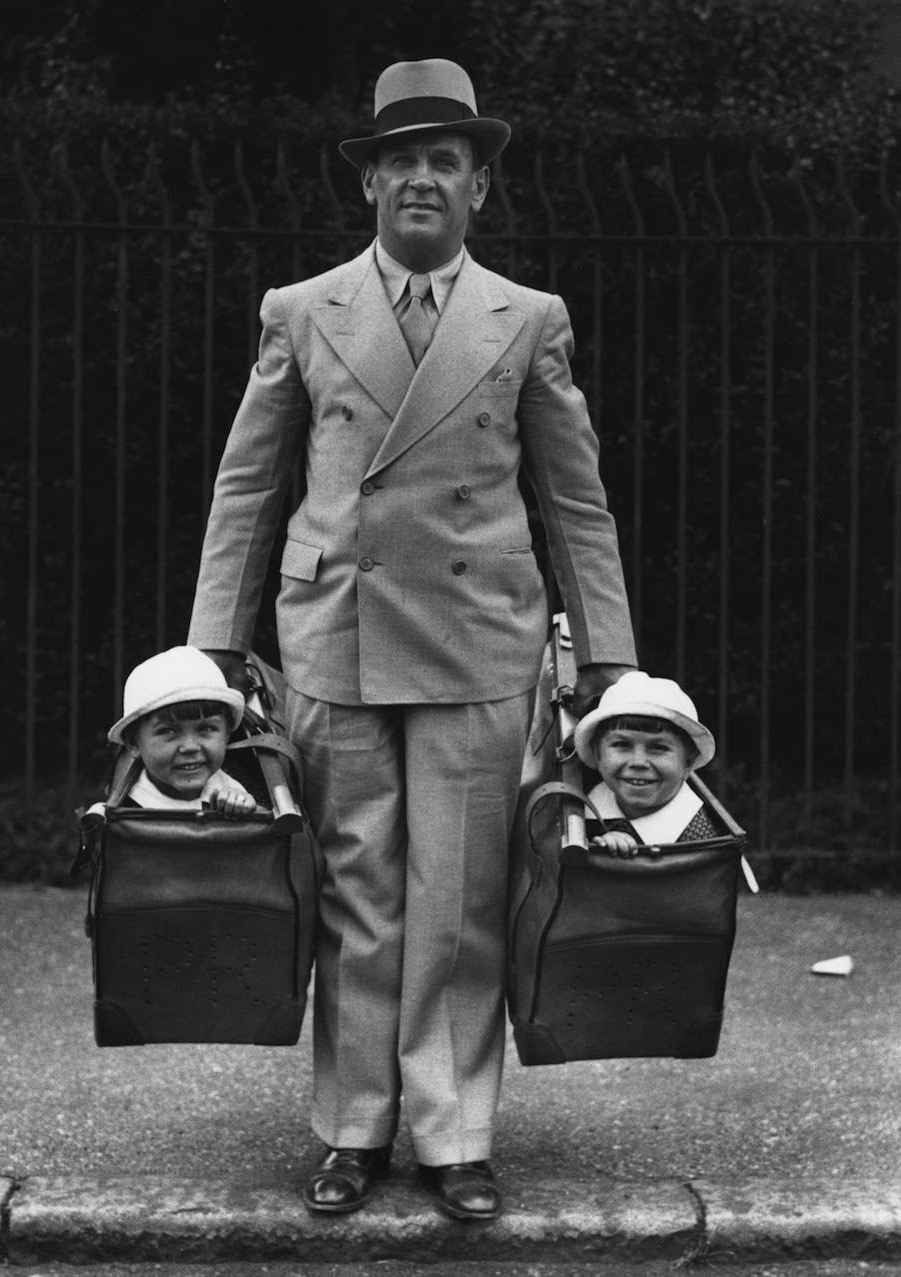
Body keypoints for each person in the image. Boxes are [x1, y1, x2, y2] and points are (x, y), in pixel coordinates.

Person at [187, 58, 636, 1219]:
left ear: (478, 188)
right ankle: (352, 1125)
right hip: (335, 631)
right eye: (403, 161)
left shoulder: (528, 319)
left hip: (479, 637)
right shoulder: (302, 308)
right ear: (371, 184)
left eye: (447, 161)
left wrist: (610, 658)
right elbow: (247, 486)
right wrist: (212, 646)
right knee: (356, 894)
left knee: (459, 896)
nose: (422, 180)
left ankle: (452, 1133)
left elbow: (576, 500)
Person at [573, 670, 717, 856]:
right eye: (622, 744)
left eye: (658, 747)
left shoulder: (702, 840)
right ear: (597, 755)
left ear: (688, 763)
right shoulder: (576, 810)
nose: (638, 762)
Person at [106, 646, 256, 816]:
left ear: (227, 734)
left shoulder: (232, 789)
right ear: (134, 743)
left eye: (206, 728)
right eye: (169, 731)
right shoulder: (125, 807)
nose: (190, 747)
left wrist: (246, 808)